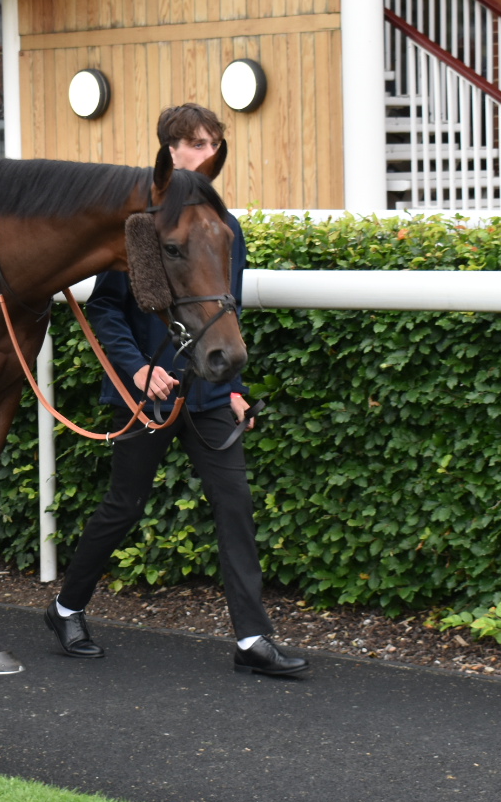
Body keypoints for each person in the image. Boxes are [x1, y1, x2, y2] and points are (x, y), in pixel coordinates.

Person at [43, 103, 309, 679]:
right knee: (124, 506)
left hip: (209, 396)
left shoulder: (223, 226)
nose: (203, 153)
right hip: (147, 396)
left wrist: (234, 387)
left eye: (211, 144)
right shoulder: (138, 224)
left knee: (234, 507)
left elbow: (223, 316)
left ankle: (253, 641)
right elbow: (108, 310)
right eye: (192, 143)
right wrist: (138, 371)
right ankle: (66, 608)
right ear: (168, 150)